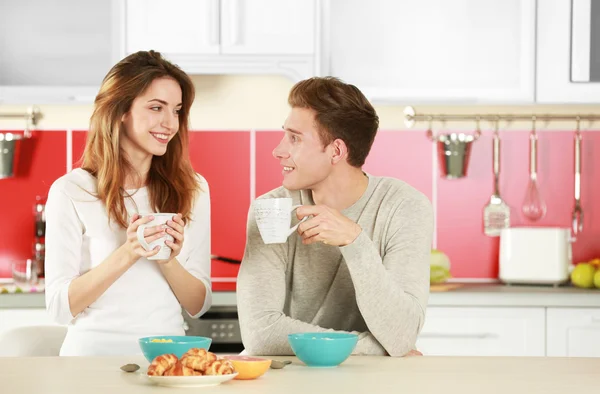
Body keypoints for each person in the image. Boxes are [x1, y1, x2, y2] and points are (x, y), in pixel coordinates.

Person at [237, 77, 433, 357]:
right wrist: (374, 348)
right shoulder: (272, 209)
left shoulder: (404, 206)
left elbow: (401, 332)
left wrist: (355, 242)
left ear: (336, 151)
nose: (278, 151)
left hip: (373, 382)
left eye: (294, 138)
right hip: (289, 379)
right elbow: (261, 334)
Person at [44, 50, 212, 356]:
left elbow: (197, 306)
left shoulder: (193, 188)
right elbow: (58, 308)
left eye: (176, 110)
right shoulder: (71, 190)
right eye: (156, 107)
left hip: (166, 360)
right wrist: (129, 252)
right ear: (121, 110)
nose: (169, 123)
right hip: (89, 364)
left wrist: (167, 260)